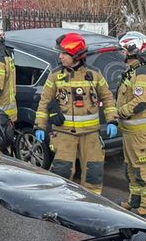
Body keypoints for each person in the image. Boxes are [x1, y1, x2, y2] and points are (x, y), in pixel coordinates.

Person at [39, 32, 115, 194]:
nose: (60, 56)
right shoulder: (55, 75)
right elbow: (44, 101)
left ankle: (91, 203)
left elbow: (108, 98)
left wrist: (112, 120)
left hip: (91, 134)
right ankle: (62, 203)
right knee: (62, 172)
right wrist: (39, 126)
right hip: (64, 133)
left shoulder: (94, 74)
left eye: (64, 53)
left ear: (76, 55)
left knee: (94, 173)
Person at [113, 31, 146, 216]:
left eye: (124, 50)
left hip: (139, 131)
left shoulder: (141, 73)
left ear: (133, 49)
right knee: (131, 168)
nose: (122, 53)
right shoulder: (132, 71)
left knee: (142, 167)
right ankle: (135, 200)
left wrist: (120, 112)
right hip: (130, 130)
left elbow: (141, 102)